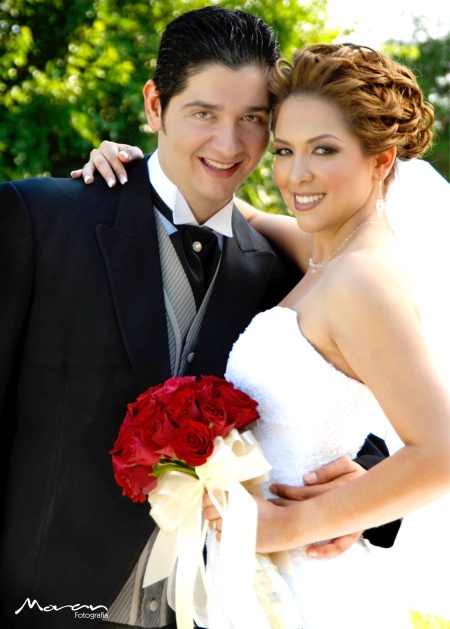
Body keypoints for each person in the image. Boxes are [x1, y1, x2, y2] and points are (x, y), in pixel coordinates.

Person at [0, 9, 396, 629]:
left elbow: (336, 413)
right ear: (156, 105)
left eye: (254, 121)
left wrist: (365, 491)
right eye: (204, 113)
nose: (229, 144)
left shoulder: (285, 272)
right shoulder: (39, 219)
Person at [198, 44, 450, 628]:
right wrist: (133, 167)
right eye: (284, 150)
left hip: (313, 587)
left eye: (324, 150)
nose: (295, 174)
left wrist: (292, 524)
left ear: (383, 160)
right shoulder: (326, 255)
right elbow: (243, 218)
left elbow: (441, 453)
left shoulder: (360, 279)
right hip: (265, 583)